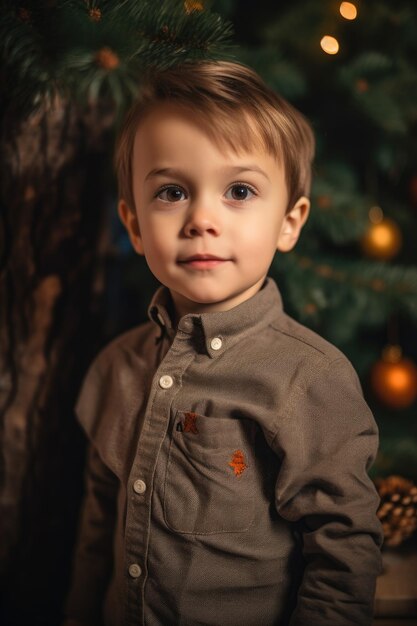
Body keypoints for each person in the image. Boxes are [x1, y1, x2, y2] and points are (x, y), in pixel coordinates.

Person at [63, 60, 383, 626]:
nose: (202, 219)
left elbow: (342, 554)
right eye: (170, 192)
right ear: (134, 226)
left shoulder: (308, 378)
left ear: (290, 221)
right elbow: (95, 530)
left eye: (239, 190)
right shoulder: (117, 366)